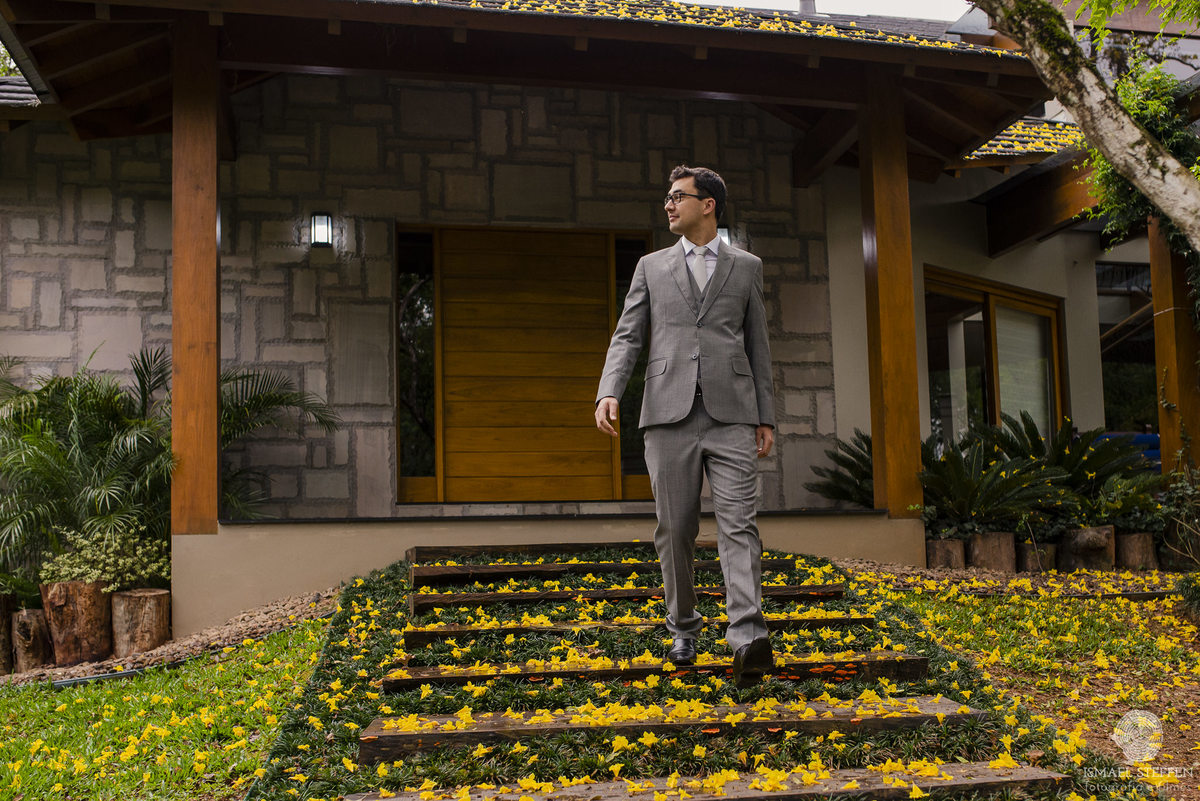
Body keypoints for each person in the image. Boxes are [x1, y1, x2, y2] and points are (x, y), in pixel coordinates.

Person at [594, 165, 776, 688]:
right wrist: (610, 389)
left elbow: (758, 343)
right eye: (668, 198)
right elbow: (627, 336)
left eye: (679, 197)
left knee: (739, 525)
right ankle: (684, 628)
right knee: (676, 530)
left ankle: (747, 637)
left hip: (733, 414)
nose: (669, 206)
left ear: (709, 204)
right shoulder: (651, 267)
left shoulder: (746, 267)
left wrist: (764, 413)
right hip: (667, 413)